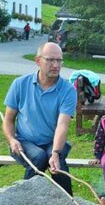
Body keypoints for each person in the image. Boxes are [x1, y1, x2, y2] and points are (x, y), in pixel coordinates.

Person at [2, 42, 77, 194]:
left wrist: (55, 153)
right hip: (24, 142)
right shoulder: (20, 84)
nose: (56, 65)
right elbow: (8, 119)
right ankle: (25, 202)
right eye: (50, 60)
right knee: (39, 157)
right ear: (38, 61)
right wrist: (11, 139)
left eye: (59, 60)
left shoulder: (68, 90)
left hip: (52, 141)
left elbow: (63, 125)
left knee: (58, 165)